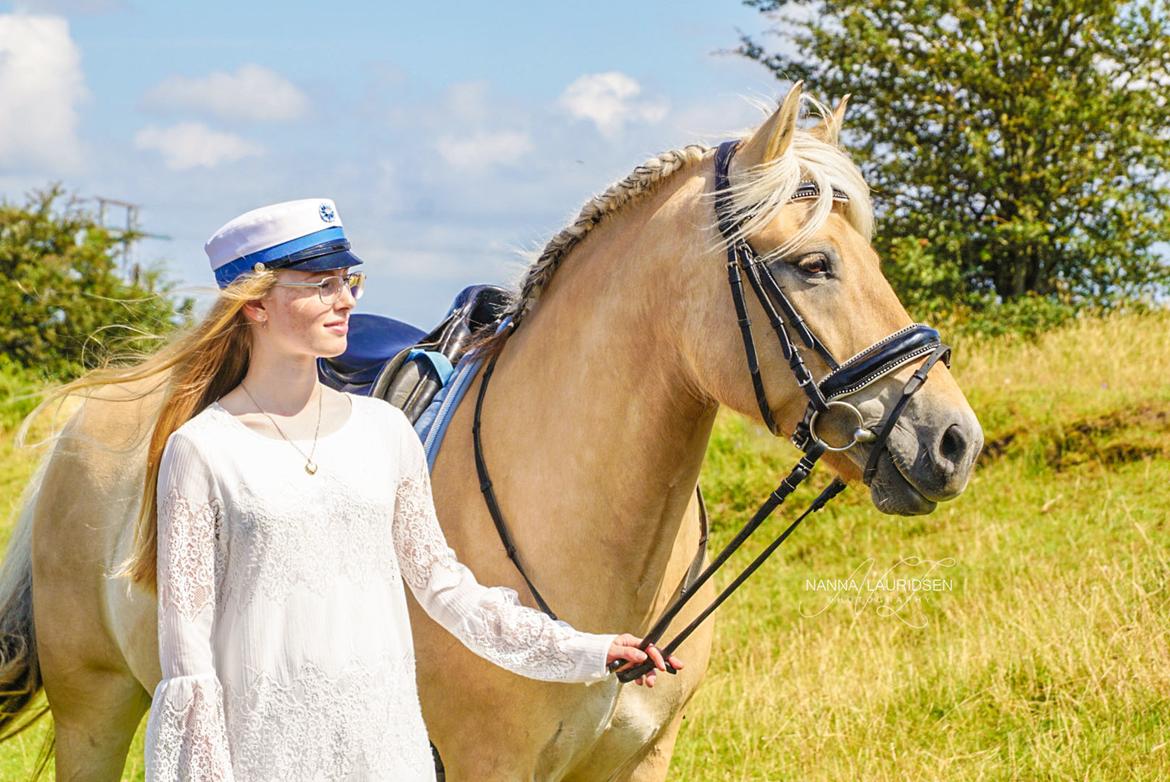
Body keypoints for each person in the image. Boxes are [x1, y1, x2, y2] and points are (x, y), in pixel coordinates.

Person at [136, 199, 681, 781]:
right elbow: (188, 656)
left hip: (385, 753)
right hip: (264, 757)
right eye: (321, 285)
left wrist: (586, 652)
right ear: (254, 303)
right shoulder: (201, 450)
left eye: (349, 281)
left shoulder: (385, 431)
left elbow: (447, 589)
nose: (345, 300)